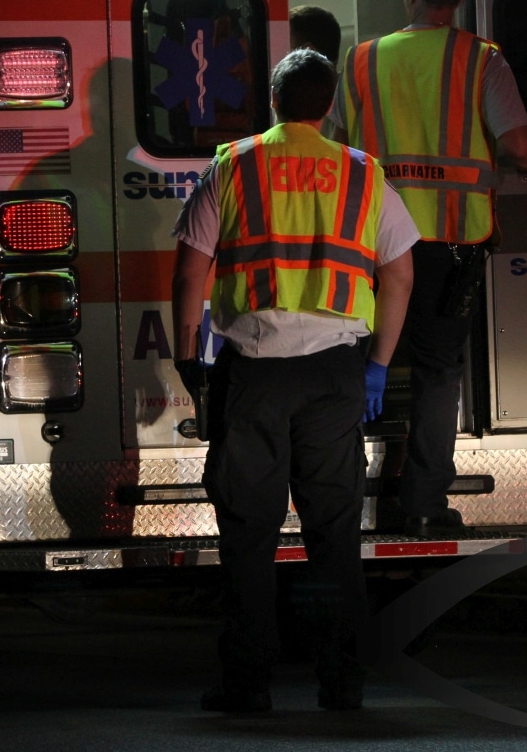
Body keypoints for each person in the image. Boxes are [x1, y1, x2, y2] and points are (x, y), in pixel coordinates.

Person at [171, 47, 418, 713]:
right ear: (331, 105)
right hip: (335, 374)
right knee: (333, 535)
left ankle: (248, 683)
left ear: (274, 100)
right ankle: (341, 681)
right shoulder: (363, 173)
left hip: (252, 372)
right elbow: (399, 275)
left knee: (248, 535)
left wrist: (188, 356)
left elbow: (191, 271)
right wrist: (377, 365)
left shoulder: (234, 165)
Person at [323, 0, 527, 533]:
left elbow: (335, 146)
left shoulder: (362, 59)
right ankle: (423, 505)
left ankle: (335, 495)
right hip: (452, 241)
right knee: (437, 373)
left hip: (371, 244)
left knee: (351, 362)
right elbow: (523, 150)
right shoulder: (482, 59)